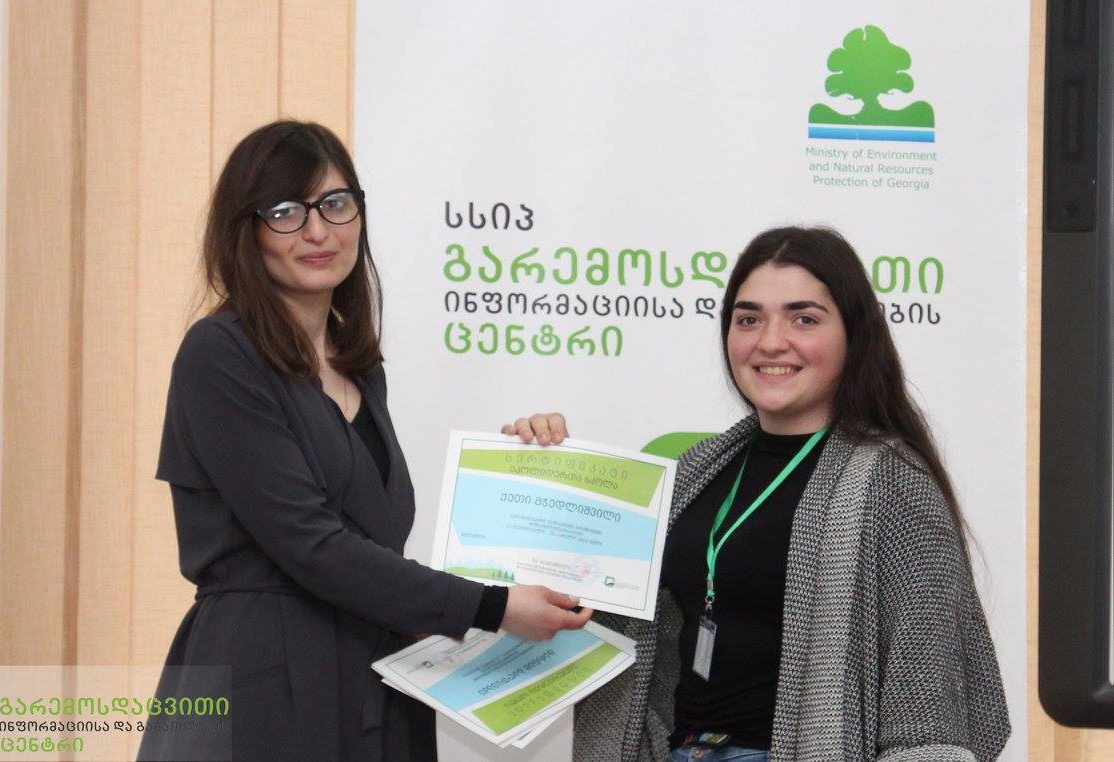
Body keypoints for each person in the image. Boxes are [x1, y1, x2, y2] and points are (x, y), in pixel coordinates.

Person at [138, 120, 591, 762]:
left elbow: (375, 541)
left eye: (335, 203)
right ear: (246, 231)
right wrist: (491, 607)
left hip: (378, 675)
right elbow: (313, 545)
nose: (318, 231)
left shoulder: (359, 367)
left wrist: (528, 474)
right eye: (286, 212)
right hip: (268, 683)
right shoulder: (220, 354)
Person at [506, 227, 1009, 761]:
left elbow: (926, 703)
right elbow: (590, 615)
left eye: (803, 319)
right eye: (749, 319)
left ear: (854, 334)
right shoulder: (696, 471)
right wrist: (547, 476)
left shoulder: (892, 481)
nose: (770, 342)